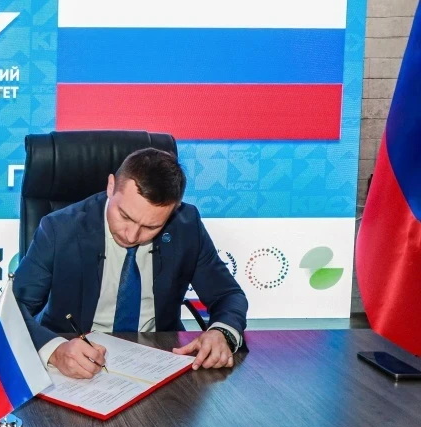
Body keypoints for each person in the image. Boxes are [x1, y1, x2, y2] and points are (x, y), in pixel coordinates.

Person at [14, 148, 248, 379]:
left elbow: (228, 294)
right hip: (75, 360)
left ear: (173, 210)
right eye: (125, 216)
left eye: (151, 227)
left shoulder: (186, 227)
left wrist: (222, 332)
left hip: (159, 359)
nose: (132, 235)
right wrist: (55, 350)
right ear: (111, 186)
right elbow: (11, 310)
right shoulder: (60, 229)